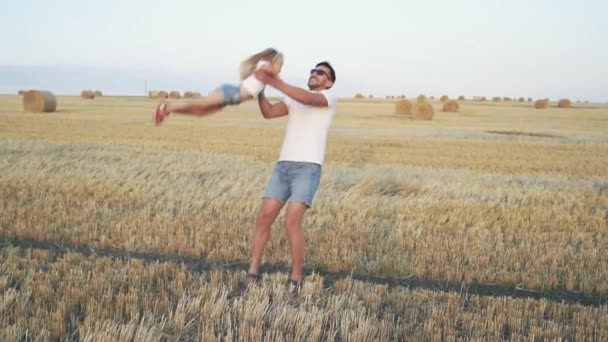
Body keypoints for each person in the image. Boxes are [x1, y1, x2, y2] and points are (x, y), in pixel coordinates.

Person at [245, 61, 338, 295]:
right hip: (283, 166)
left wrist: (274, 80)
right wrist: (261, 90)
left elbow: (307, 99)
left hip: (308, 168)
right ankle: (253, 273)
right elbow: (268, 113)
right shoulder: (294, 99)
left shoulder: (328, 98)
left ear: (329, 81)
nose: (314, 74)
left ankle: (295, 278)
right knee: (264, 217)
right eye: (313, 71)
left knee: (291, 222)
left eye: (320, 73)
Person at [153, 48, 284, 125]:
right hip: (231, 93)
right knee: (202, 104)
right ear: (273, 61)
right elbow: (269, 70)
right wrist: (279, 80)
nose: (280, 70)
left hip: (231, 99)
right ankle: (166, 105)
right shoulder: (264, 64)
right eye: (280, 66)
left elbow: (261, 96)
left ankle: (168, 110)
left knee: (201, 112)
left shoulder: (263, 80)